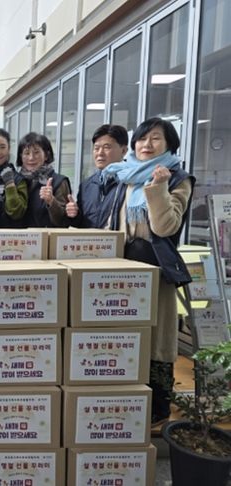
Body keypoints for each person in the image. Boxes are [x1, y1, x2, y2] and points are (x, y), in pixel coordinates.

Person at [104, 117, 195, 424]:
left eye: (155, 138)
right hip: (122, 267)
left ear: (169, 144)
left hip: (155, 268)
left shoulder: (178, 178)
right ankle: (126, 401)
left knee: (157, 337)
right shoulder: (125, 176)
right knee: (124, 334)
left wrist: (157, 188)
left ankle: (157, 406)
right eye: (142, 139)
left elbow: (165, 227)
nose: (146, 144)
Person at [66, 124, 128, 228]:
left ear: (124, 150)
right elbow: (81, 224)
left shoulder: (130, 182)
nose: (100, 153)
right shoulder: (87, 185)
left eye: (106, 147)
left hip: (119, 238)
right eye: (96, 148)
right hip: (91, 239)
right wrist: (74, 214)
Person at [17, 132, 71, 227]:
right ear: (21, 156)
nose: (31, 158)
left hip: (46, 236)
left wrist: (51, 202)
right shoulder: (15, 180)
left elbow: (64, 221)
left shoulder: (59, 182)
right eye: (26, 153)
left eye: (36, 152)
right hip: (16, 236)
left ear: (46, 155)